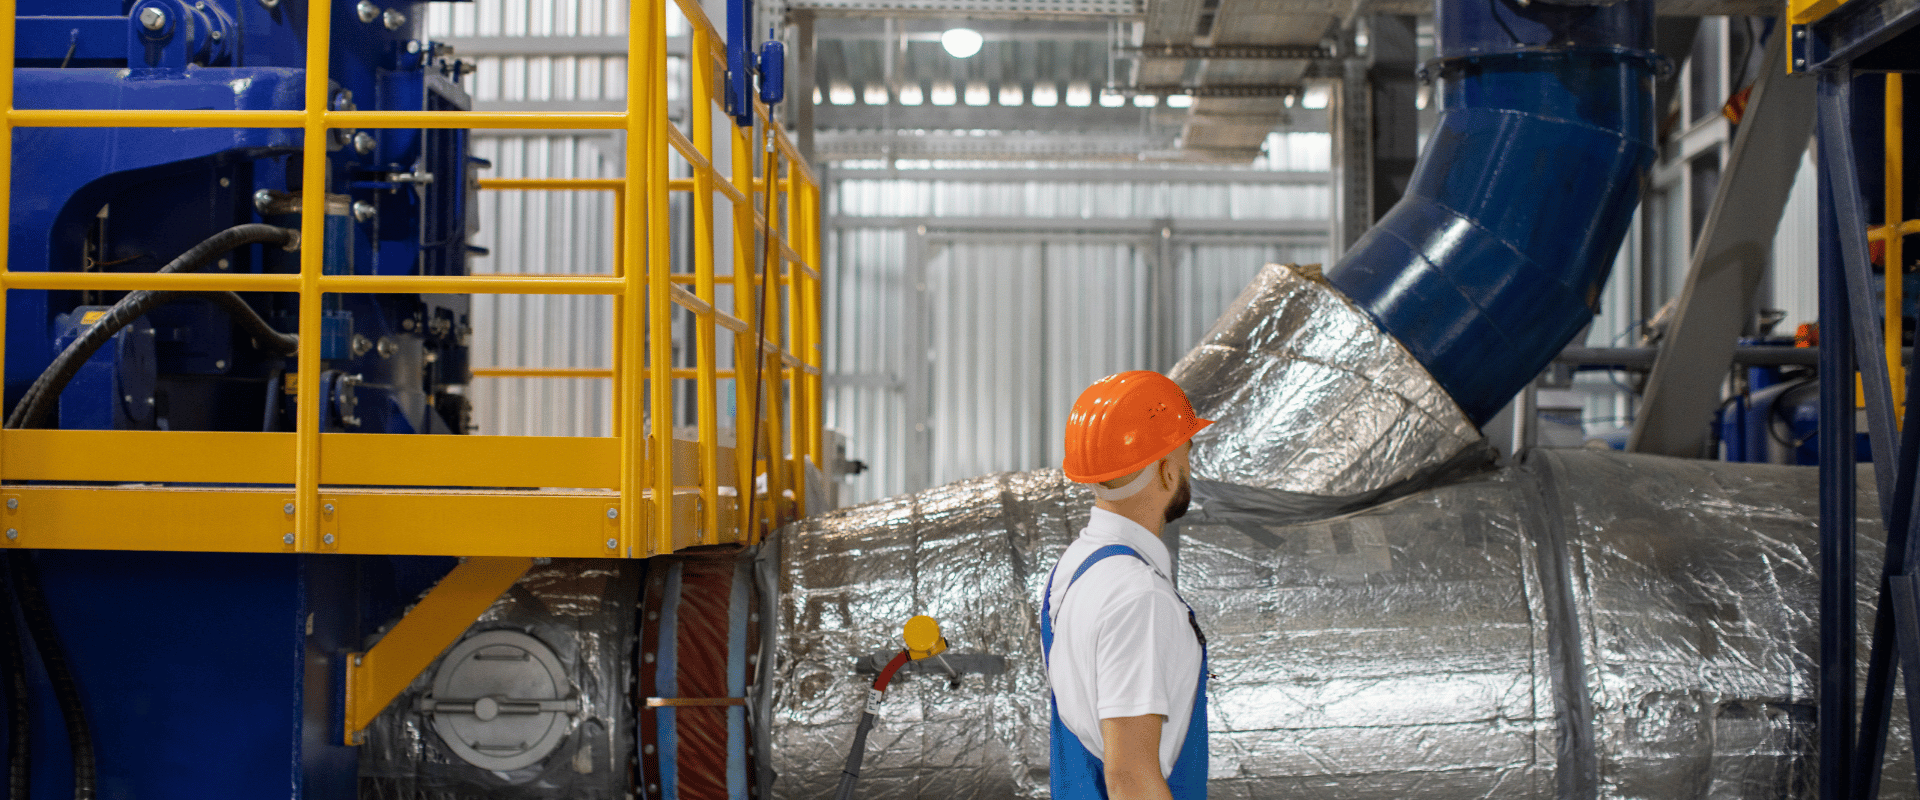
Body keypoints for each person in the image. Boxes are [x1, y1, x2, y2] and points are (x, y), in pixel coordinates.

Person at [1043, 370, 1213, 800]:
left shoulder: (1076, 567)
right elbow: (1131, 780)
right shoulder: (1139, 597)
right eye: (1185, 453)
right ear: (1165, 471)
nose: (1188, 469)